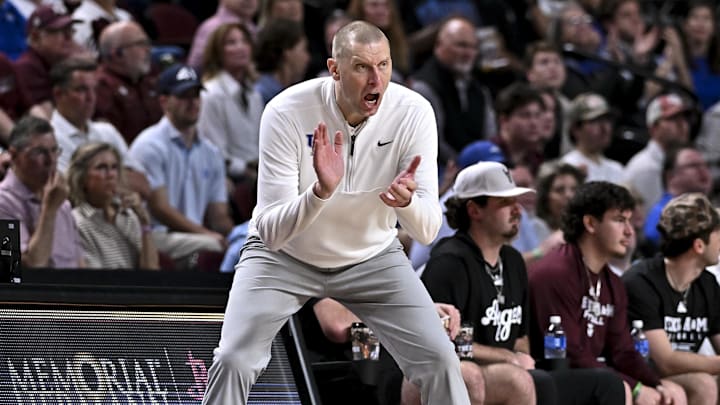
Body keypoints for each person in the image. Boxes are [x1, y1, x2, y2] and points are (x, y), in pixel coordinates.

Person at [202, 21, 470, 405]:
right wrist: (319, 192)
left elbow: (428, 231)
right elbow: (272, 232)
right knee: (232, 360)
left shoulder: (413, 112)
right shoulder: (287, 111)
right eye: (361, 66)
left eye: (384, 65)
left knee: (441, 362)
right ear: (334, 69)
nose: (376, 78)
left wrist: (406, 204)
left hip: (372, 258)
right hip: (284, 259)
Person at [419, 161, 626, 405]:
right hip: (463, 375)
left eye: (516, 202)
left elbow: (521, 336)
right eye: (505, 203)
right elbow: (442, 344)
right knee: (535, 382)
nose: (517, 210)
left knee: (606, 384)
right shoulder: (449, 264)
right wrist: (507, 358)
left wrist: (519, 355)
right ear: (474, 210)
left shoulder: (513, 260)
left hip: (514, 371)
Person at [528, 181, 686, 404]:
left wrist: (655, 384)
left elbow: (623, 351)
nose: (629, 231)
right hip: (551, 376)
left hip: (595, 375)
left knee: (672, 392)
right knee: (620, 389)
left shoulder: (612, 282)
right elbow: (571, 352)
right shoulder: (555, 273)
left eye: (629, 221)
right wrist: (636, 387)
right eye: (619, 220)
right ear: (591, 223)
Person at [129, 63, 233, 267]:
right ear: (164, 101)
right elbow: (160, 209)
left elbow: (219, 215)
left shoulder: (210, 152)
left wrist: (240, 235)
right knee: (214, 247)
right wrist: (209, 235)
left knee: (246, 246)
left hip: (194, 237)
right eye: (184, 96)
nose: (192, 102)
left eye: (196, 95)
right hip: (155, 235)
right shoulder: (149, 145)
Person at [624, 193, 720, 405]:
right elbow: (666, 361)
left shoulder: (707, 284)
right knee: (703, 384)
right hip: (641, 373)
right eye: (717, 232)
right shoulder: (641, 282)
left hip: (683, 372)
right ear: (699, 246)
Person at [48, 56, 149, 199]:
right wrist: (121, 178)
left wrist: (90, 180)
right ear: (58, 94)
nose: (91, 97)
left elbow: (143, 186)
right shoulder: (50, 138)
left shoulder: (107, 131)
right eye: (81, 89)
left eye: (94, 89)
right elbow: (72, 194)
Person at [410, 16, 495, 166]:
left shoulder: (479, 90)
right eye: (461, 46)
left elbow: (489, 136)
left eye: (473, 47)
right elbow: (432, 142)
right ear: (439, 46)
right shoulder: (424, 87)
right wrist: (463, 165)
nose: (468, 53)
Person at [0, 115, 83, 268]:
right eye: (40, 152)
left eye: (54, 151)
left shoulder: (62, 205)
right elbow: (29, 267)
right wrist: (49, 210)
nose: (51, 161)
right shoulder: (3, 203)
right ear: (14, 156)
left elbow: (80, 265)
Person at [66, 142, 159, 269]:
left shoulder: (129, 215)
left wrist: (145, 223)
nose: (111, 175)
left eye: (114, 167)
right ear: (82, 178)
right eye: (101, 168)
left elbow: (151, 272)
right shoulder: (76, 222)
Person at [199, 22, 263, 180]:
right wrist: (247, 172)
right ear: (217, 52)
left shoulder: (254, 93)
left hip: (258, 172)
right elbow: (213, 151)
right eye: (231, 43)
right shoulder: (210, 94)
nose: (240, 47)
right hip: (229, 178)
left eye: (244, 41)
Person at [624, 93, 693, 215]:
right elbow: (651, 220)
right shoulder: (644, 167)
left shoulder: (686, 159)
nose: (682, 124)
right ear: (653, 128)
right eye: (672, 119)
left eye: (684, 117)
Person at [95, 21, 162, 144]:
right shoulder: (101, 87)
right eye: (140, 44)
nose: (148, 49)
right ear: (117, 53)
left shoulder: (148, 81)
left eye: (147, 43)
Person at [643, 145, 712, 249]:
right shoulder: (662, 214)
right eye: (693, 165)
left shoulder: (708, 212)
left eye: (705, 165)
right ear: (671, 177)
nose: (702, 170)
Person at [560, 92, 625, 183]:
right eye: (595, 121)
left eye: (607, 120)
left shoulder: (617, 169)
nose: (604, 128)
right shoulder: (568, 167)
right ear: (576, 129)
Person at [253, 18, 310, 105]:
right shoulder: (260, 95)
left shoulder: (286, 94)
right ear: (287, 52)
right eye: (304, 49)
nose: (307, 58)